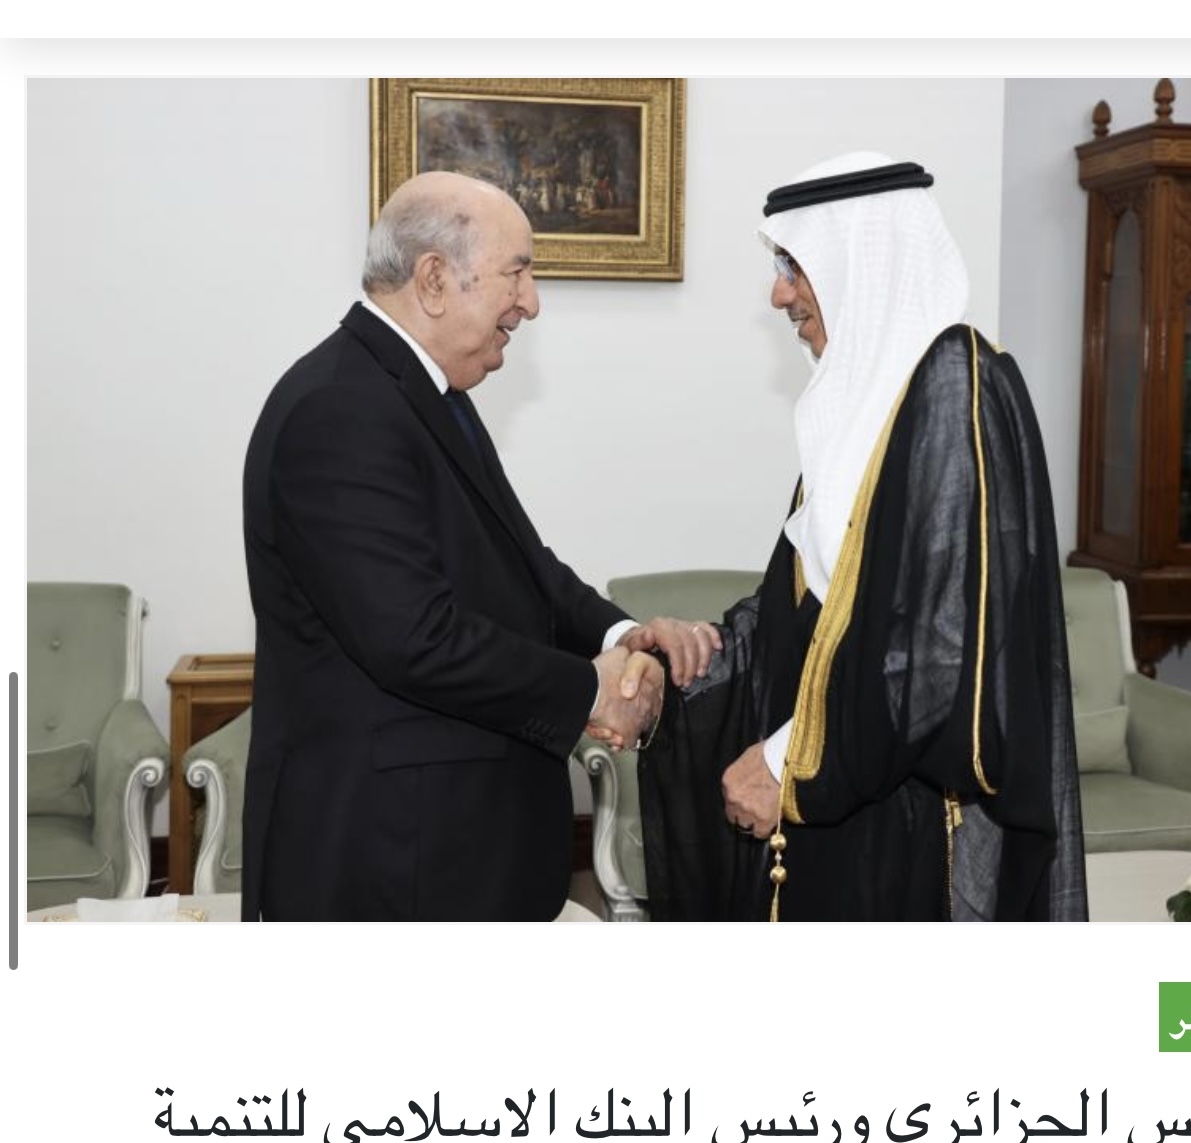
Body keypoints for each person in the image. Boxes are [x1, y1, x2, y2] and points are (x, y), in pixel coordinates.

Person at [243, 171, 716, 920]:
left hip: (449, 848)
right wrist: (594, 689)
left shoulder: (428, 396)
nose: (531, 302)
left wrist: (624, 636)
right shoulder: (340, 409)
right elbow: (414, 638)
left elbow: (526, 569)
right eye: (517, 272)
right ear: (434, 279)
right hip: (390, 862)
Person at [640, 153, 1087, 921]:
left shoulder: (955, 383)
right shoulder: (858, 410)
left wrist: (787, 761)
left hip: (909, 833)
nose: (779, 293)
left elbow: (939, 651)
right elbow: (802, 616)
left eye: (793, 266)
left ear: (862, 259)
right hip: (837, 813)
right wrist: (676, 662)